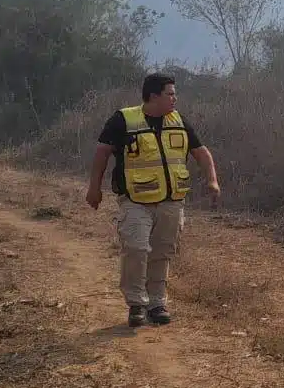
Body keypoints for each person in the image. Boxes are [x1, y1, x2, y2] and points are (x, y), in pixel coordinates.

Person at [86, 73, 221, 328]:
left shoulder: (179, 121)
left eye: (174, 93)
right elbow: (102, 152)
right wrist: (94, 188)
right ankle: (136, 304)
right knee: (136, 248)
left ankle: (157, 304)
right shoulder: (123, 120)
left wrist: (212, 180)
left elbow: (201, 152)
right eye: (170, 93)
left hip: (171, 201)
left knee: (162, 253)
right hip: (135, 201)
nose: (175, 98)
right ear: (153, 96)